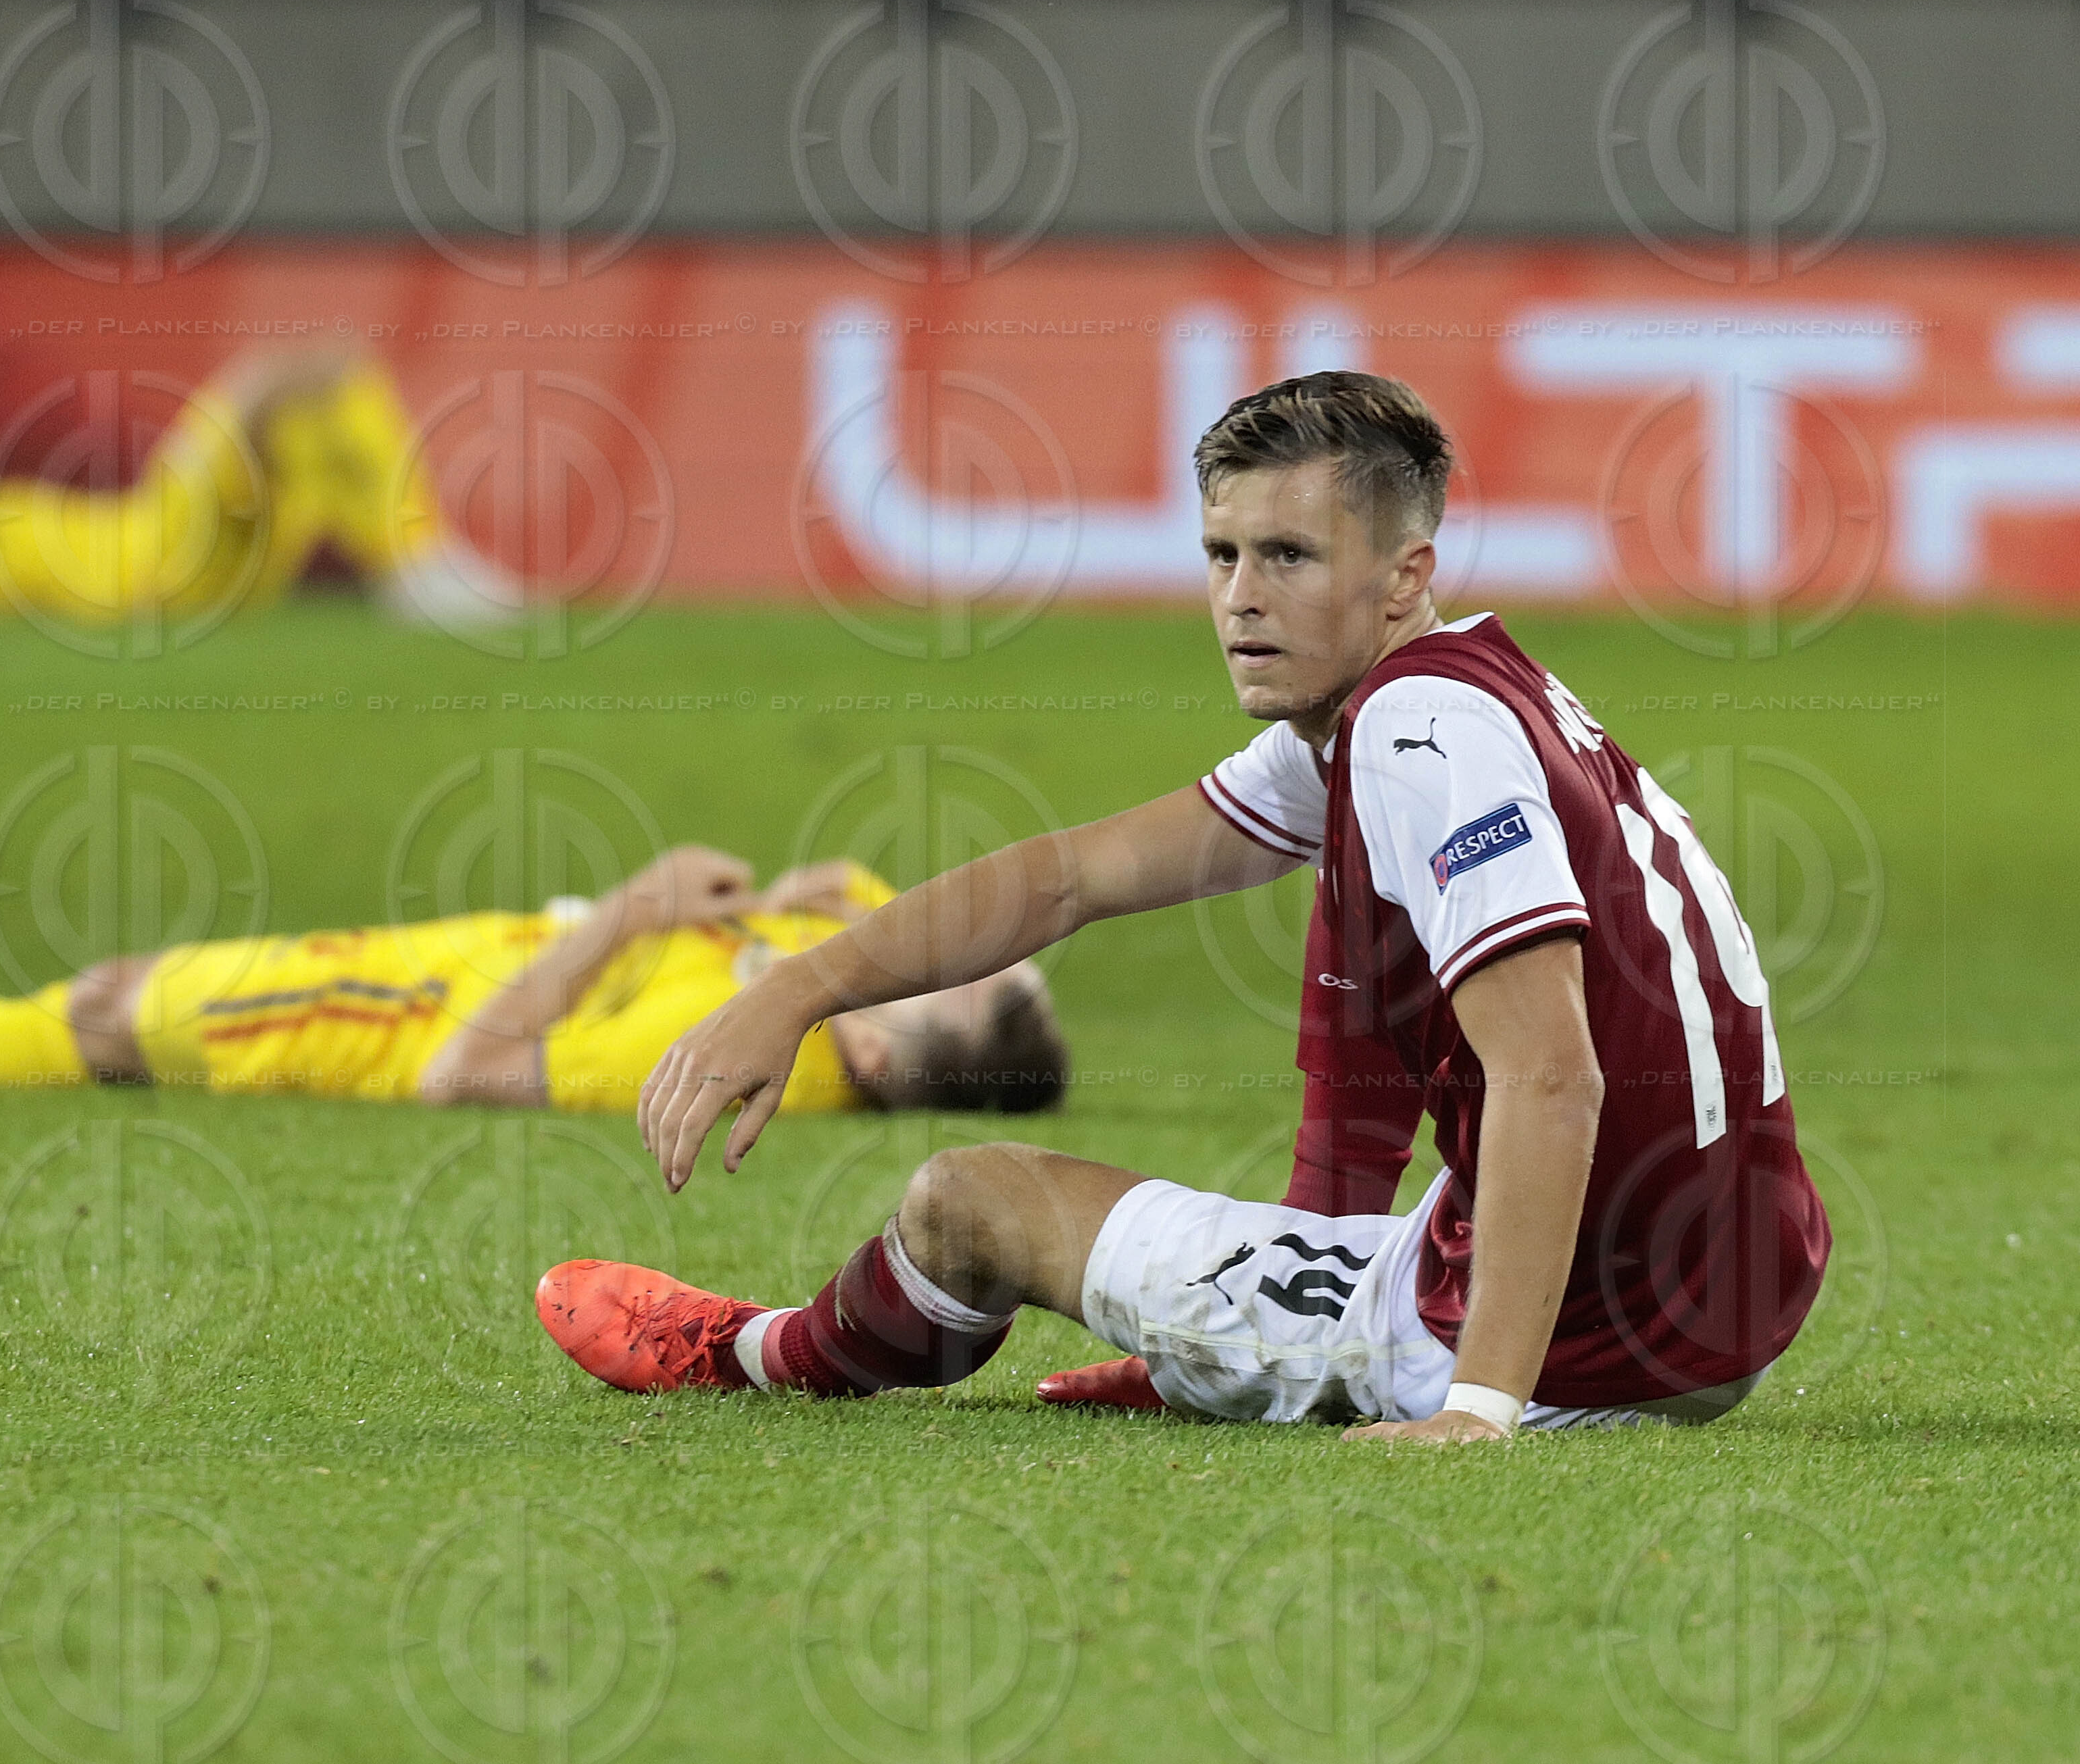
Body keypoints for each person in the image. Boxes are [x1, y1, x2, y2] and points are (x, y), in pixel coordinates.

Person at [537, 371, 1830, 1440]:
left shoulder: (1412, 733)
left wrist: (1475, 1410)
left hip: (1580, 1349)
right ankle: (1226, 1356)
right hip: (1722, 1295)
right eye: (1220, 552)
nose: (1237, 595)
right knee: (1330, 1169)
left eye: (1285, 554)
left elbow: (1553, 1076)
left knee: (966, 1195)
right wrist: (798, 985)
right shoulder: (1463, 694)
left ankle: (751, 1354)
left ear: (1401, 575)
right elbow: (1067, 875)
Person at [0, 848, 1069, 1117]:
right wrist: (819, 891)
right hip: (456, 945)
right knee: (117, 988)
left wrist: (628, 911)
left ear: (874, 1065)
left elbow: (472, 1074)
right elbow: (875, 892)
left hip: (400, 1024)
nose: (901, 954)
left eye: (923, 989)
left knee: (119, 1014)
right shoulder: (847, 991)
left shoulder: (740, 1063)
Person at [0, 348, 510, 630]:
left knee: (298, 427)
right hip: (153, 564)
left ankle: (417, 565)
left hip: (167, 560)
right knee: (292, 381)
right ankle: (420, 565)